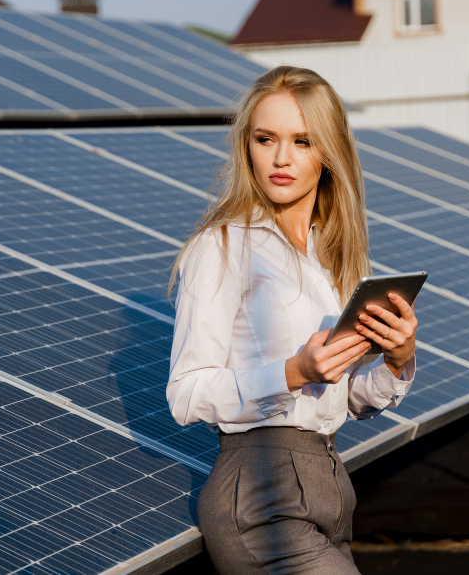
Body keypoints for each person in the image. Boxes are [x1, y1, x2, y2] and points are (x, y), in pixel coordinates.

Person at [166, 65, 418, 574]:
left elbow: (339, 402)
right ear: (247, 147)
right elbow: (186, 394)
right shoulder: (221, 248)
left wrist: (397, 360)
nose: (281, 158)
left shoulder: (334, 258)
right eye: (266, 139)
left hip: (328, 485)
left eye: (303, 141)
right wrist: (295, 371)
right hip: (259, 497)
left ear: (327, 154)